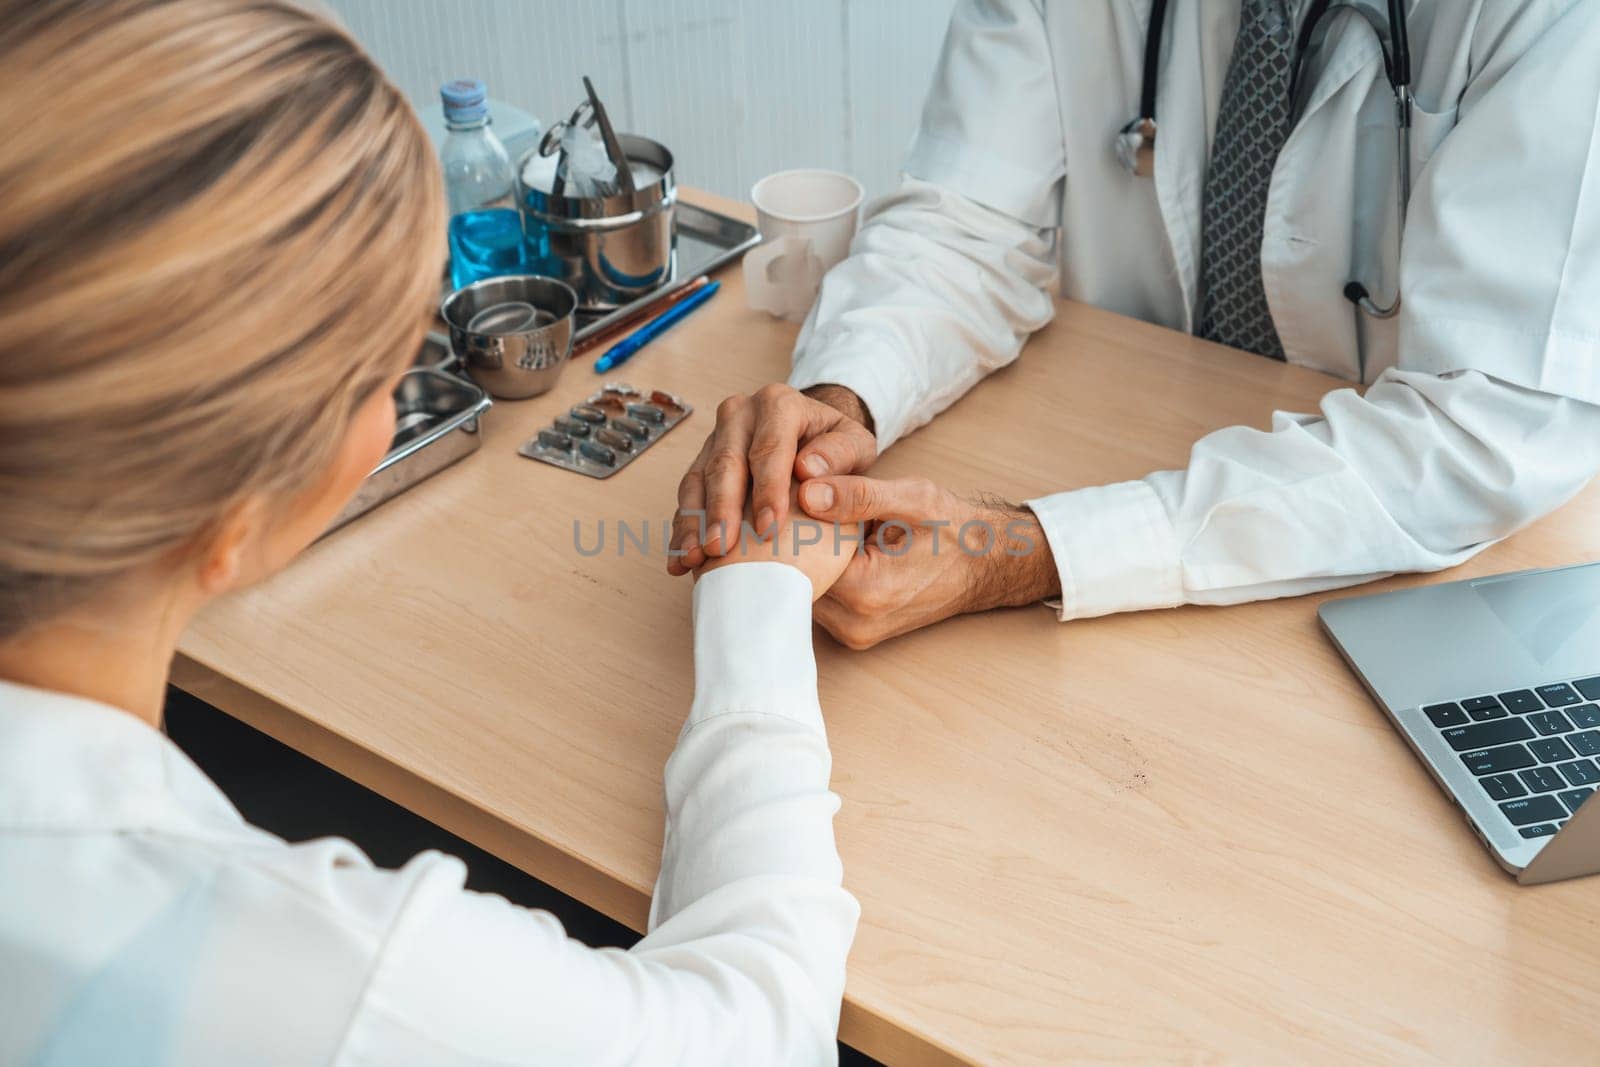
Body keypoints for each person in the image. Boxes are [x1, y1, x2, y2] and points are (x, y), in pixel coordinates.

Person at [0, 2, 858, 1063]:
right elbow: (762, 1033)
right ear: (234, 512)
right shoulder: (319, 967)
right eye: (391, 357)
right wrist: (757, 601)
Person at [669, 0, 1600, 648]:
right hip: (1126, 456)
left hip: (1414, 575)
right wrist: (841, 403)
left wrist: (1029, 551)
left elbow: (1480, 429)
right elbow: (968, 224)